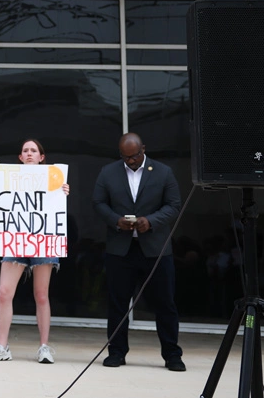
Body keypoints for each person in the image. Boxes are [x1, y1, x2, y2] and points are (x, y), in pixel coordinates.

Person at [92, 132, 185, 371]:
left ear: (143, 149)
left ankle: (172, 355)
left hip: (155, 250)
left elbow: (174, 205)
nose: (131, 161)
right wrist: (115, 220)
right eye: (126, 157)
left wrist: (150, 221)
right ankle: (116, 352)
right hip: (120, 250)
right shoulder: (108, 172)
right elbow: (98, 203)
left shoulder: (163, 172)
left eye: (134, 156)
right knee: (117, 304)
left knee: (165, 304)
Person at [0, 139, 71, 364]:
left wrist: (62, 193)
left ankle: (44, 347)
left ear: (42, 157)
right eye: (25, 151)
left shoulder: (54, 181)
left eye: (34, 151)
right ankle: (2, 346)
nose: (29, 153)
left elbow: (55, 207)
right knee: (4, 292)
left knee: (41, 294)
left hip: (42, 238)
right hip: (15, 239)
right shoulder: (8, 180)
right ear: (20, 158)